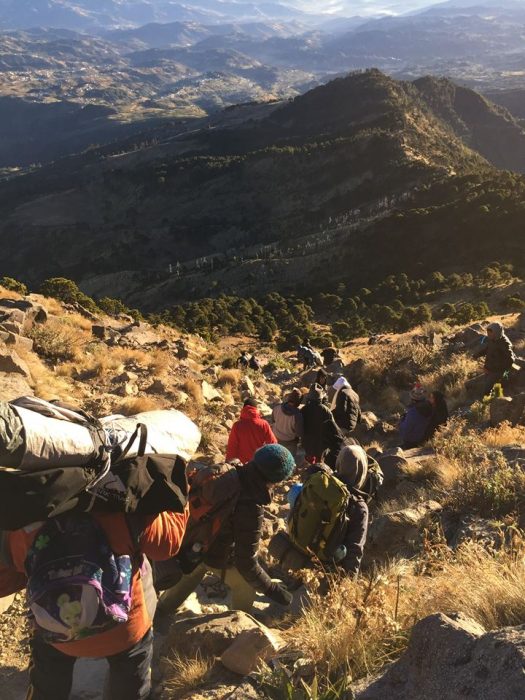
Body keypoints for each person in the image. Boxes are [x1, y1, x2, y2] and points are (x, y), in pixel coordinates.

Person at [5, 510, 189, 700]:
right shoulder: (124, 494)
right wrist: (180, 493)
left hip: (53, 625)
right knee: (129, 681)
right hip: (125, 628)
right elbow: (165, 545)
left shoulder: (21, 497)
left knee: (47, 683)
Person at [157, 445, 296, 614]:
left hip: (191, 542)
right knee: (245, 585)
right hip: (214, 555)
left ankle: (161, 611)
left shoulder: (227, 471)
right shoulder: (250, 505)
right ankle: (236, 620)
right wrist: (274, 591)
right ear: (275, 480)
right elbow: (247, 563)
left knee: (191, 572)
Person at [226, 398, 277, 465]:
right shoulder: (264, 424)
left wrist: (228, 462)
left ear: (243, 409)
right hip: (258, 463)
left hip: (242, 465)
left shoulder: (237, 425)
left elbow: (232, 446)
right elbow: (273, 443)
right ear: (256, 409)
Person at [301, 384, 343, 463]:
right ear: (320, 398)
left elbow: (300, 424)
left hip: (308, 440)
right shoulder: (326, 410)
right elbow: (332, 426)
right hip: (322, 440)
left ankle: (309, 471)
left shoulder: (304, 409)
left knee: (309, 458)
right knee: (319, 460)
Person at [473, 322, 516, 395]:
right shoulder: (493, 339)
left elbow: (511, 359)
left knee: (486, 389)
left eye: (490, 333)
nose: (488, 334)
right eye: (488, 332)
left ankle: (486, 403)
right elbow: (487, 349)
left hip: (496, 371)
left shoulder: (504, 343)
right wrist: (477, 355)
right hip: (490, 368)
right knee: (486, 385)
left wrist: (499, 370)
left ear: (496, 332)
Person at [272, 388, 304, 460]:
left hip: (276, 437)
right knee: (289, 460)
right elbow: (299, 433)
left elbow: (273, 420)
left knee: (277, 457)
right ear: (298, 402)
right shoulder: (297, 415)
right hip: (290, 441)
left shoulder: (277, 407)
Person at [399, 384, 432, 450]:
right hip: (425, 437)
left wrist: (400, 423)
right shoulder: (430, 406)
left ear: (413, 399)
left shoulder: (413, 411)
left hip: (413, 440)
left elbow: (406, 429)